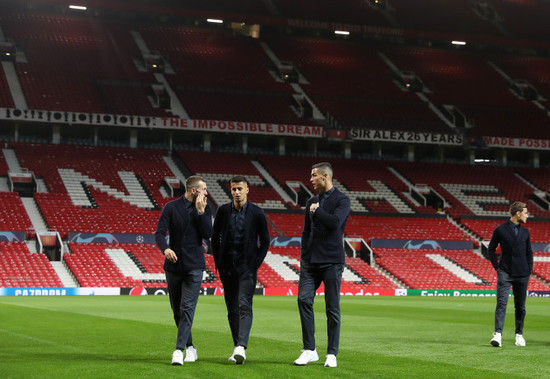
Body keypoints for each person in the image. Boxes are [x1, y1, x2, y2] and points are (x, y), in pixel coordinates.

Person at [294, 162, 350, 368]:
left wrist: (317, 212)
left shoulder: (342, 200)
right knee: (303, 299)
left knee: (332, 308)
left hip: (332, 261)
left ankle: (331, 353)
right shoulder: (311, 201)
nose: (310, 179)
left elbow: (335, 223)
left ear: (325, 176)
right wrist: (304, 253)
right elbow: (306, 231)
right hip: (310, 261)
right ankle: (309, 350)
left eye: (314, 175)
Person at [212, 175, 270, 365]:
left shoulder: (257, 213)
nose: (237, 192)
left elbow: (266, 241)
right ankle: (237, 346)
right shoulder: (222, 211)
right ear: (230, 190)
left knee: (244, 304)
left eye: (240, 189)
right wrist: (218, 262)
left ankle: (241, 346)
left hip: (247, 268)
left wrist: (256, 263)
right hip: (227, 268)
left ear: (247, 190)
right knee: (231, 309)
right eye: (234, 189)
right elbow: (215, 238)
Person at [155, 175, 212, 365]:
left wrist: (201, 213)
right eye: (204, 189)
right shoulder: (171, 207)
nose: (206, 192)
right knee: (177, 311)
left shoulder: (205, 208)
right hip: (173, 266)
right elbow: (160, 233)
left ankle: (178, 351)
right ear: (193, 190)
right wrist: (166, 249)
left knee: (187, 308)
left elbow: (208, 235)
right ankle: (190, 347)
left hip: (195, 266)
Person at [488, 201, 533, 348]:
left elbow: (529, 253)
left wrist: (529, 270)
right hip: (505, 272)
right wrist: (497, 268)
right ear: (518, 213)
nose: (527, 215)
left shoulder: (525, 232)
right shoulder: (500, 229)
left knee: (520, 306)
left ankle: (519, 335)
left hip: (522, 274)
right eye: (526, 213)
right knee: (501, 303)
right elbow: (491, 250)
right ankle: (498, 335)